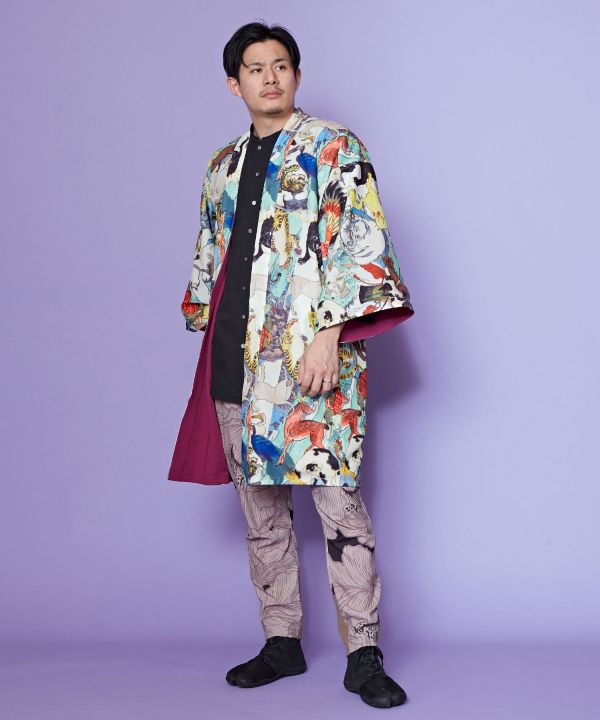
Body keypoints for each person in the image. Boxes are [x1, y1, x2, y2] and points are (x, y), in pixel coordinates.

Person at [168, 21, 415, 709]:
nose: (269, 77)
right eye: (255, 68)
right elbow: (210, 256)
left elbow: (361, 243)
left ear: (297, 76)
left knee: (340, 508)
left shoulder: (337, 148)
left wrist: (331, 334)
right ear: (235, 83)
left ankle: (364, 653)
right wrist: (202, 319)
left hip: (312, 358)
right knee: (261, 512)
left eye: (280, 65)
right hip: (236, 361)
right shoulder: (221, 165)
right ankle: (281, 642)